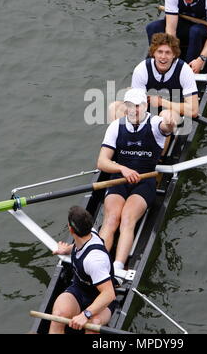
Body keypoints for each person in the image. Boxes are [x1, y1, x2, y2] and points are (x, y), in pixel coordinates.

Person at [98, 88, 177, 274]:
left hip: (145, 181)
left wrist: (168, 118)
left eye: (138, 106)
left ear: (145, 106)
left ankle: (118, 268)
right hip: (119, 179)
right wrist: (121, 169)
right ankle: (98, 265)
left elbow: (167, 127)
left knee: (127, 218)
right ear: (125, 107)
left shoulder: (155, 123)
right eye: (130, 106)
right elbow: (102, 162)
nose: (134, 110)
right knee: (110, 220)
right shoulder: (116, 126)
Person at [49, 206, 116, 334]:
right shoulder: (89, 232)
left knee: (92, 325)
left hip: (102, 300)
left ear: (70, 229)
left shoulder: (94, 261)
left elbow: (109, 294)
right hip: (79, 290)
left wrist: (86, 314)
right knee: (58, 315)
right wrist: (67, 250)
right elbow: (78, 244)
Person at [109, 33, 199, 121]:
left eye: (168, 53)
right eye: (160, 52)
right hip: (146, 109)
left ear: (174, 55)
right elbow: (136, 106)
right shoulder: (142, 69)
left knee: (165, 116)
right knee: (114, 108)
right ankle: (125, 133)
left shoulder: (184, 70)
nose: (163, 57)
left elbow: (194, 110)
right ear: (153, 53)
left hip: (173, 112)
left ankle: (164, 133)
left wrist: (161, 102)